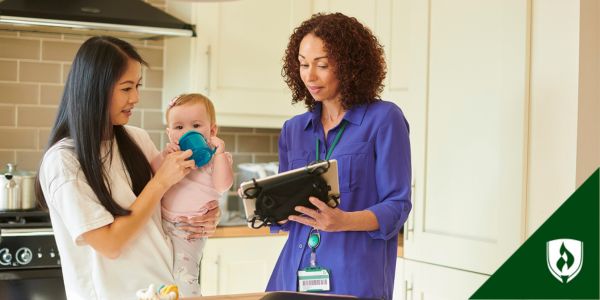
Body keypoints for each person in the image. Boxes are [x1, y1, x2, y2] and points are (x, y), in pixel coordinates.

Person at [35, 36, 221, 299]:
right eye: (126, 88)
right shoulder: (63, 161)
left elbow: (170, 203)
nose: (136, 97)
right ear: (95, 89)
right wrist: (159, 183)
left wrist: (205, 214)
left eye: (137, 86)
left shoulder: (137, 139)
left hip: (166, 290)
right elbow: (109, 244)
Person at [266, 13, 412, 300]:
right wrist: (267, 209)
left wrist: (342, 220)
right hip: (290, 277)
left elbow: (397, 206)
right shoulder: (293, 130)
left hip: (354, 278)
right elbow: (289, 210)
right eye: (303, 64)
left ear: (350, 66)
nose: (309, 76)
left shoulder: (384, 119)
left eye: (322, 65)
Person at [151, 93, 233, 296]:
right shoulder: (171, 158)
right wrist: (164, 155)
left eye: (196, 126)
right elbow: (153, 175)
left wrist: (220, 153)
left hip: (191, 228)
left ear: (212, 130)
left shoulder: (216, 160)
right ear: (170, 134)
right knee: (162, 277)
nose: (187, 132)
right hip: (162, 224)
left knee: (185, 276)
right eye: (179, 128)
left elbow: (223, 185)